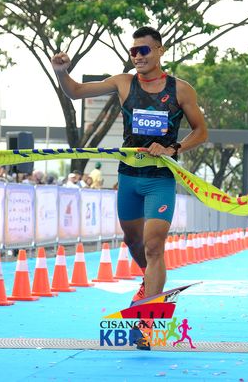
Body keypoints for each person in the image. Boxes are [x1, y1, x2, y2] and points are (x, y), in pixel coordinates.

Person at [51, 26, 208, 314]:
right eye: (133, 51)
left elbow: (201, 131)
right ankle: (150, 281)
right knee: (134, 241)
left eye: (143, 50)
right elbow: (75, 92)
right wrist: (61, 72)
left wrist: (174, 148)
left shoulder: (181, 89)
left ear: (160, 50)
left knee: (154, 245)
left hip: (160, 179)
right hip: (129, 177)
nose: (137, 56)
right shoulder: (123, 82)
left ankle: (149, 313)